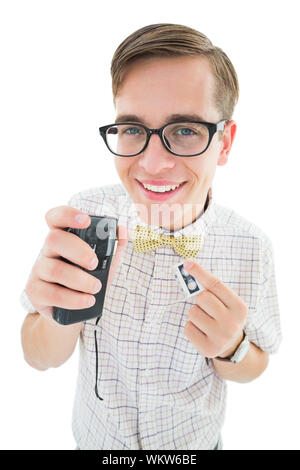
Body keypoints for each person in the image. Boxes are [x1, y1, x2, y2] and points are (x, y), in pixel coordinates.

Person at [20, 23, 282, 450]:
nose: (152, 163)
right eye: (133, 130)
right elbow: (38, 356)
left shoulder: (251, 247)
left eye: (185, 130)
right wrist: (56, 311)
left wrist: (231, 346)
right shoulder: (87, 217)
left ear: (226, 142)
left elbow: (256, 365)